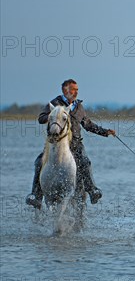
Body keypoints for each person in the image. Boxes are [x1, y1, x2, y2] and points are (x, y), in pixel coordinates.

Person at [25, 79, 116, 209]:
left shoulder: (79, 107)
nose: (76, 92)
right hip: (56, 144)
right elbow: (41, 118)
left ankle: (92, 191)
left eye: (77, 90)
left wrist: (105, 132)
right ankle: (36, 196)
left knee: (85, 162)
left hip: (75, 144)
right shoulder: (54, 103)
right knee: (39, 162)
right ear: (65, 90)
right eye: (73, 90)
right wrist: (52, 115)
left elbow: (88, 125)